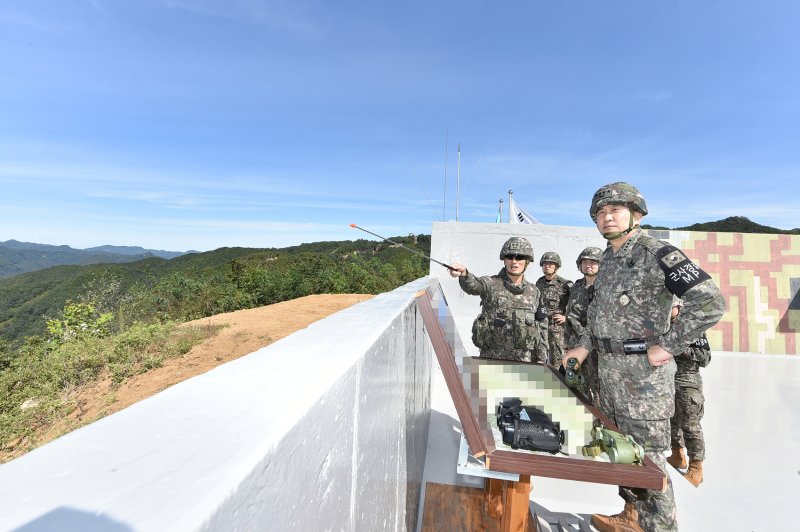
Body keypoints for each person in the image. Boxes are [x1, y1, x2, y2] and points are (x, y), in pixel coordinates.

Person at [563, 182, 724, 532]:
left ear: (636, 215)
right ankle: (631, 517)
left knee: (650, 466)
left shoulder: (657, 254)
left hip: (644, 384)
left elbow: (710, 302)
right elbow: (600, 316)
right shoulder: (606, 261)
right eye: (601, 213)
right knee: (622, 453)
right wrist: (585, 345)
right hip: (608, 378)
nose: (607, 217)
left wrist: (669, 344)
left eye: (615, 210)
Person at [449, 237, 548, 363]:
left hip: (523, 362)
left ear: (527, 261)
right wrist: (464, 274)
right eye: (510, 257)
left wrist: (541, 358)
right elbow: (474, 285)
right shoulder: (491, 284)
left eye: (519, 258)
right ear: (504, 261)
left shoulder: (534, 292)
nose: (514, 262)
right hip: (491, 359)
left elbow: (542, 325)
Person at [667, 301, 711, 487]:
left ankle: (696, 466)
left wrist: (676, 347)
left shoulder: (692, 326)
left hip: (687, 382)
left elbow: (704, 357)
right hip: (666, 380)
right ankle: (677, 454)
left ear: (679, 307)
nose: (668, 310)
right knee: (671, 420)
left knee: (690, 425)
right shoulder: (661, 325)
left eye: (671, 306)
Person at [564, 246, 603, 404]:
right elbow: (570, 316)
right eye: (585, 262)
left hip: (595, 348)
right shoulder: (577, 286)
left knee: (598, 389)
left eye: (593, 262)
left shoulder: (604, 287)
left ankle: (599, 422)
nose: (588, 265)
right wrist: (566, 344)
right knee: (575, 385)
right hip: (574, 345)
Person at [535, 252, 573, 367]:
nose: (547, 266)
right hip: (541, 326)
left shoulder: (565, 284)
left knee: (557, 359)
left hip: (556, 328)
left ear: (557, 266)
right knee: (539, 356)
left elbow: (576, 303)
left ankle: (558, 382)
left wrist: (567, 317)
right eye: (545, 264)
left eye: (551, 264)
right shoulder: (540, 282)